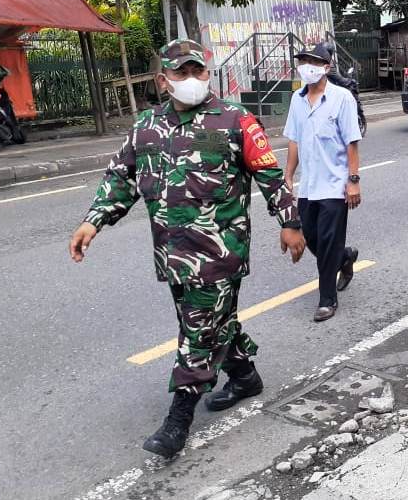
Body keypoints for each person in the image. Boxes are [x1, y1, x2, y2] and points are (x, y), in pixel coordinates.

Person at [68, 40, 306, 459]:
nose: (192, 80)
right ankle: (245, 375)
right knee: (214, 323)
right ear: (163, 80)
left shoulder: (235, 120)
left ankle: (178, 421)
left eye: (198, 71)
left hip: (220, 252)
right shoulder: (146, 127)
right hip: (173, 256)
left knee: (197, 332)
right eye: (181, 73)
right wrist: (93, 220)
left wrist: (290, 222)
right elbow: (120, 179)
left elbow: (269, 175)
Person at [283, 43, 363, 323]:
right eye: (304, 61)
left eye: (314, 62)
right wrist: (289, 175)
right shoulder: (297, 99)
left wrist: (353, 180)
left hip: (335, 184)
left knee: (327, 241)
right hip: (309, 186)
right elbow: (293, 139)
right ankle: (344, 257)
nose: (308, 66)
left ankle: (327, 299)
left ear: (327, 67)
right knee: (312, 239)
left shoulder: (341, 98)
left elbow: (351, 142)